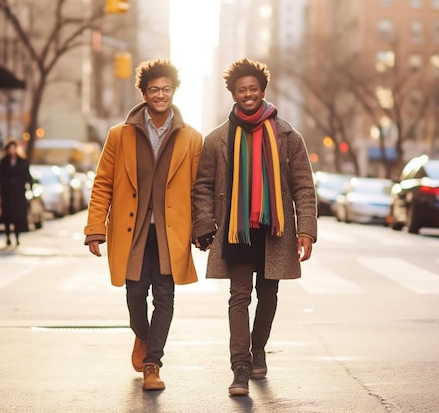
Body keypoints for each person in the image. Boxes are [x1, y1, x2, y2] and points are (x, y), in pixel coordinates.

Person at [191, 58, 317, 396]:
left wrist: (306, 230)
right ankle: (240, 368)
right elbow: (202, 186)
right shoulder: (217, 139)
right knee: (238, 296)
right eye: (241, 89)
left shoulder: (288, 136)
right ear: (233, 94)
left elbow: (304, 186)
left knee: (269, 294)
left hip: (274, 229)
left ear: (263, 91)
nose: (248, 94)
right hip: (235, 228)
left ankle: (258, 347)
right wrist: (204, 224)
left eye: (253, 89)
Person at [83, 58, 202, 391]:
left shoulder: (192, 138)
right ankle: (142, 334)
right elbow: (103, 182)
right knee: (135, 291)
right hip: (131, 230)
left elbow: (198, 188)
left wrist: (201, 228)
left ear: (174, 92)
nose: (160, 95)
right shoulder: (119, 135)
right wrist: (95, 227)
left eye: (166, 89)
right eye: (154, 90)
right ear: (145, 93)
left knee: (164, 295)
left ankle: (153, 364)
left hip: (170, 232)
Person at [0, 139, 32, 246]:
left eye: (13, 148)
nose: (12, 150)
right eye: (10, 148)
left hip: (18, 193)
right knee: (7, 216)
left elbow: (27, 175)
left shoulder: (22, 161)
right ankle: (7, 236)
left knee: (17, 216)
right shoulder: (4, 161)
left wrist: (29, 184)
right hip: (6, 193)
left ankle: (17, 236)